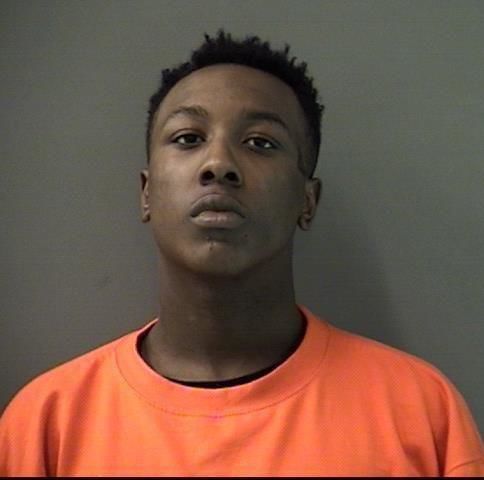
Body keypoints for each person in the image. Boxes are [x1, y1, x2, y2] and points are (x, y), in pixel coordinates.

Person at [0, 30, 483, 477]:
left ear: (307, 201)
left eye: (260, 142)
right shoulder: (45, 426)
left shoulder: (420, 412)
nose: (219, 164)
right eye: (188, 138)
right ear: (146, 192)